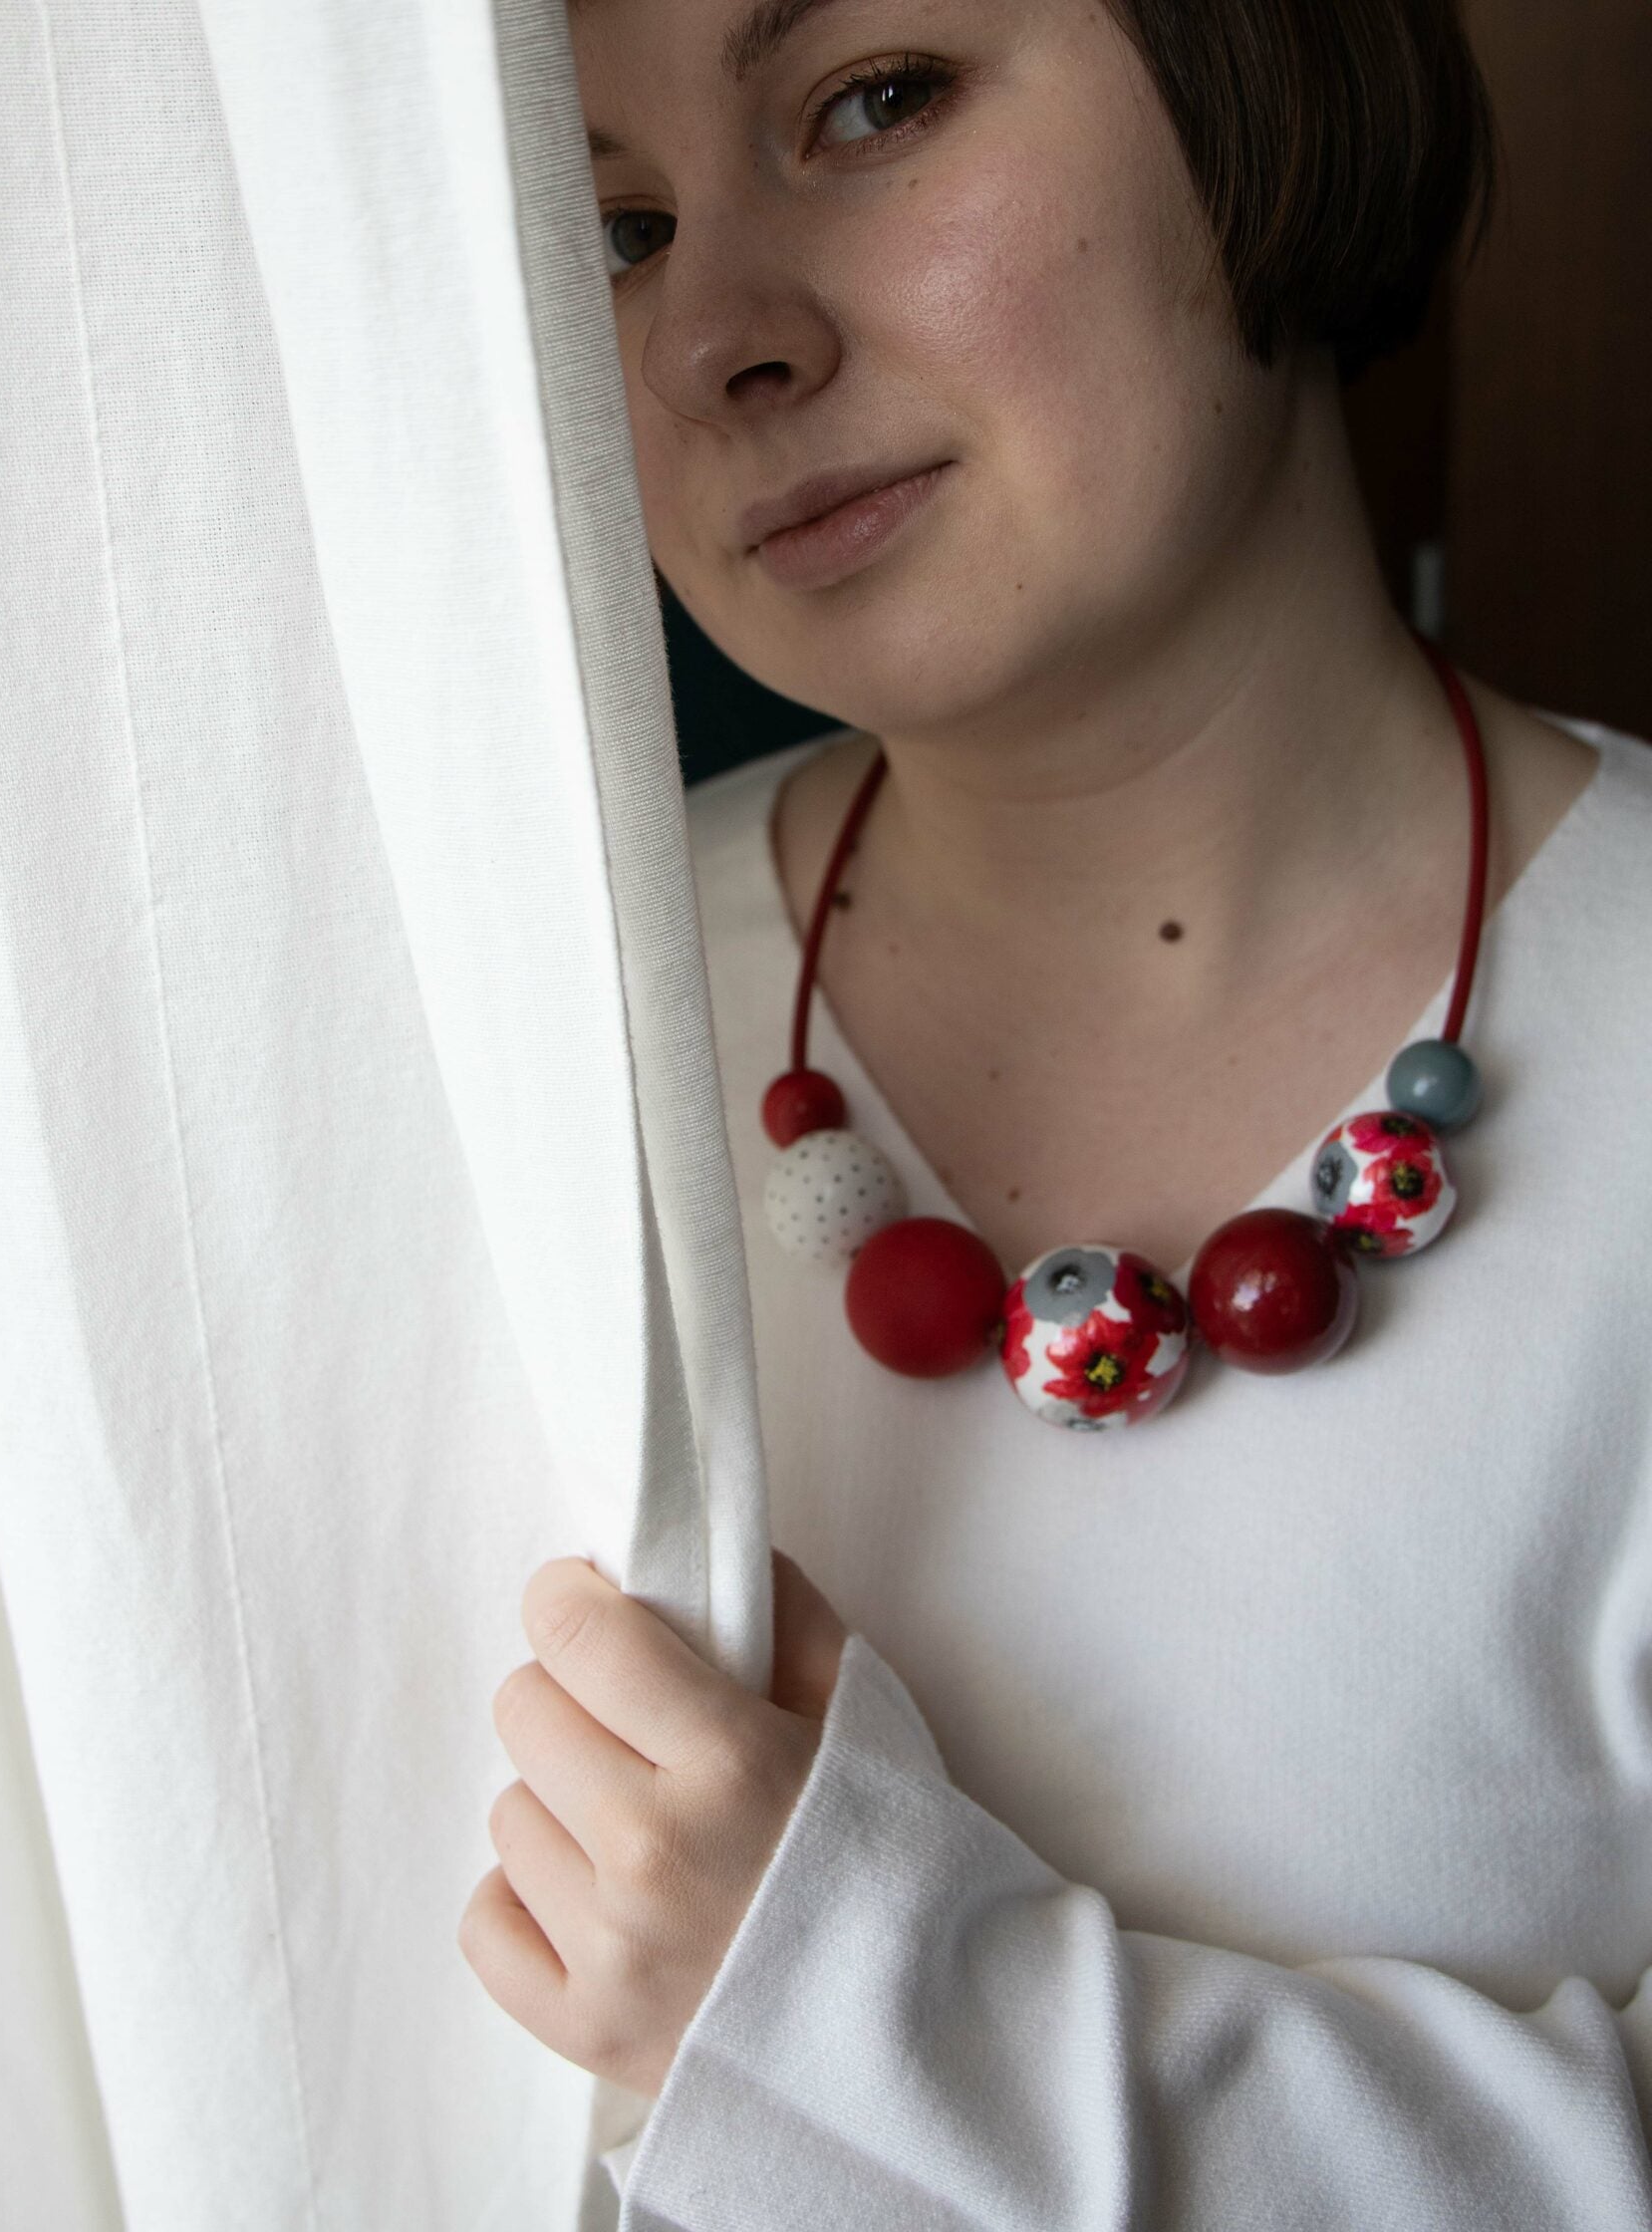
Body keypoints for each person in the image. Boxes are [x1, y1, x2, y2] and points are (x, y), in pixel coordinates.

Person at [465, 1, 1652, 2221]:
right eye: (609, 229)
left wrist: (850, 2010)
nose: (711, 332)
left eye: (874, 100)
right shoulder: (511, 1072)